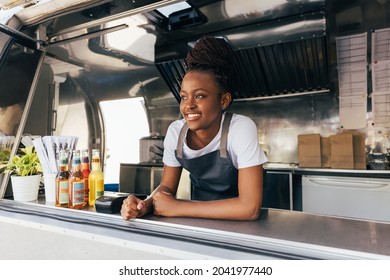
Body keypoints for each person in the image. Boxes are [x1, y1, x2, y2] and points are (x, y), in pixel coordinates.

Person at [121, 36, 268, 221]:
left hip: (244, 224)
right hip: (200, 221)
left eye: (199, 96)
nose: (188, 105)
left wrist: (178, 207)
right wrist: (144, 205)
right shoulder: (176, 132)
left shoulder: (240, 129)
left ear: (224, 100)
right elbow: (166, 188)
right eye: (183, 97)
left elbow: (250, 208)